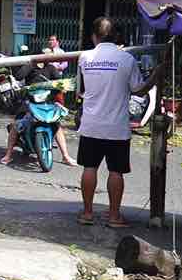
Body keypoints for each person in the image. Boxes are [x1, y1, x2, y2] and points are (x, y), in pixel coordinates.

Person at [76, 17, 166, 227]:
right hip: (116, 127)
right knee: (116, 171)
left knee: (89, 168)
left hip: (91, 125)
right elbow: (139, 90)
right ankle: (114, 216)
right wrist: (155, 76)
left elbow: (81, 90)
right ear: (116, 36)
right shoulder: (126, 59)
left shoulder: (84, 57)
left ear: (93, 36)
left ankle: (87, 213)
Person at [41, 34, 74, 165]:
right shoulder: (45, 52)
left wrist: (55, 67)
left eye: (53, 40)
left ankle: (56, 139)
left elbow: (64, 65)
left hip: (56, 82)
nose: (50, 41)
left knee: (57, 110)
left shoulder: (61, 53)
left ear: (57, 41)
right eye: (49, 40)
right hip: (44, 85)